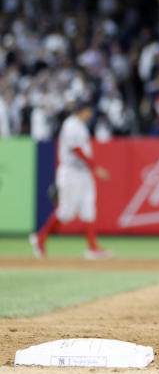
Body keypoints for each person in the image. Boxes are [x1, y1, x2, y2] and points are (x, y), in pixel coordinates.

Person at [29, 100, 113, 260]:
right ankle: (40, 237)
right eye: (88, 110)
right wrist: (95, 167)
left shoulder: (80, 125)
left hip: (83, 173)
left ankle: (92, 248)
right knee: (66, 212)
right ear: (82, 110)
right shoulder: (71, 125)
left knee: (88, 208)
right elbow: (77, 150)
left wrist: (91, 169)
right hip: (71, 172)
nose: (90, 114)